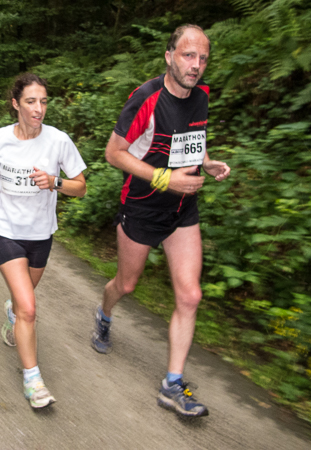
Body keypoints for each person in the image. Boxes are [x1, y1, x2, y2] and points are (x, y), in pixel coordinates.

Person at [90, 25, 230, 418]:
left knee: (190, 296)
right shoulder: (146, 99)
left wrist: (206, 163)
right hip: (142, 206)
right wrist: (165, 179)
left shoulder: (201, 95)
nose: (196, 65)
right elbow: (114, 153)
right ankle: (104, 314)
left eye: (203, 58)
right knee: (126, 284)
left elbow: (192, 139)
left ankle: (172, 385)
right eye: (188, 55)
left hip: (183, 209)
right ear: (169, 56)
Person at [0, 73, 87, 409]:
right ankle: (33, 381)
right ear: (15, 104)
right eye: (31, 101)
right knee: (29, 310)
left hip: (41, 235)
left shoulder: (58, 141)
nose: (38, 109)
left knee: (22, 303)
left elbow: (81, 187)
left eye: (43, 102)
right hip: (5, 231)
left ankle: (12, 310)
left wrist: (54, 182)